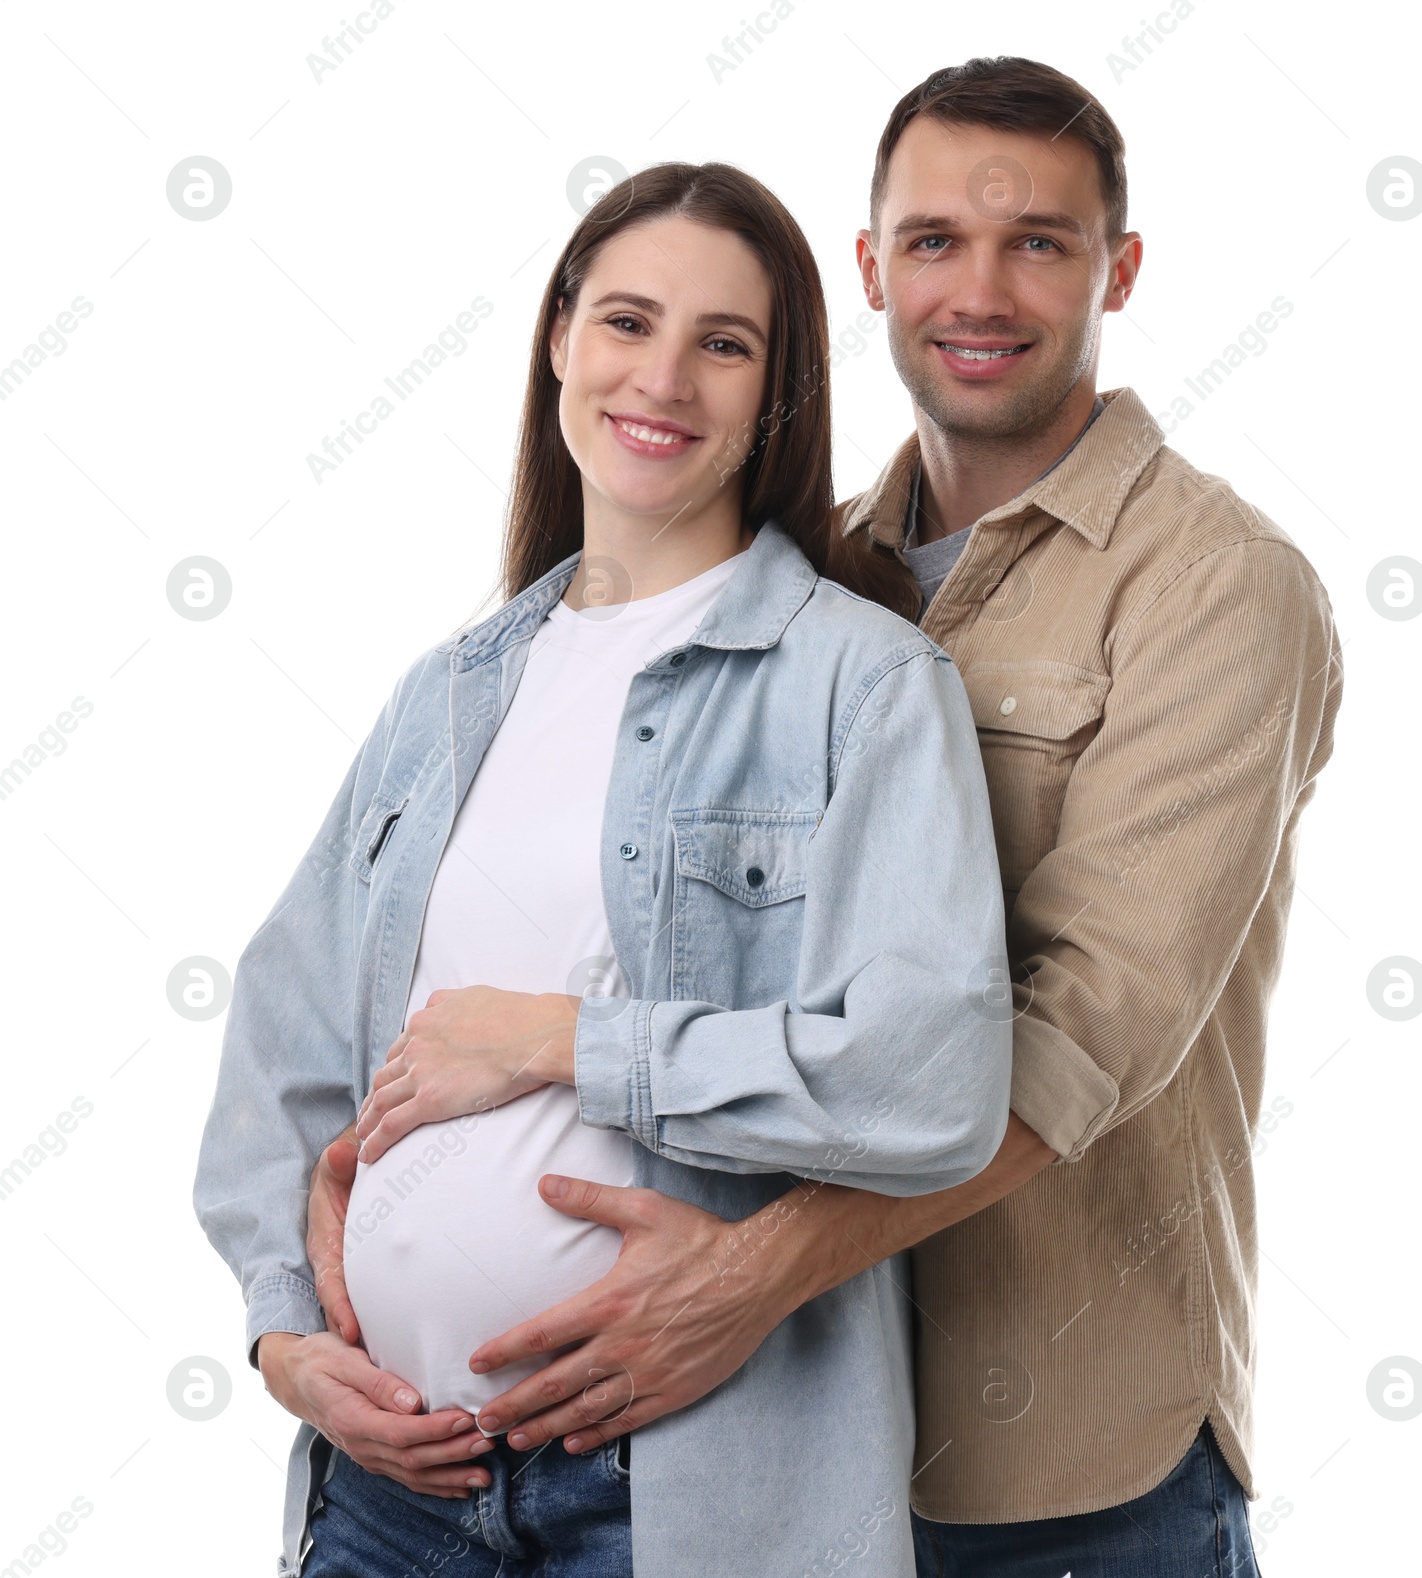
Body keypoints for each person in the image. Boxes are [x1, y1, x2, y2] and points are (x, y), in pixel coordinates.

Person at [311, 58, 1344, 1578]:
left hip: (1055, 1461)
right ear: (869, 268)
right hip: (763, 1440)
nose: (979, 290)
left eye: (1039, 242)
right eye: (933, 240)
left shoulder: (1216, 584)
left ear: (1119, 270)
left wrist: (748, 1272)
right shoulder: (803, 583)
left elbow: (1081, 1031)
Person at [193, 159, 1014, 1578]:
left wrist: (566, 1044)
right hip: (386, 1497)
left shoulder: (865, 689)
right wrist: (283, 1339)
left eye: (725, 343)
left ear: (776, 393)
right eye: (628, 322)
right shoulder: (446, 693)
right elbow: (279, 1050)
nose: (665, 378)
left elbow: (933, 1077)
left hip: (669, 1508)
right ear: (561, 338)